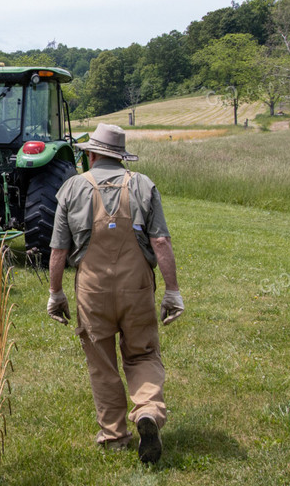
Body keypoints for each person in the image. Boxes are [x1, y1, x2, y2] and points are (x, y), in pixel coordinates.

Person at [46, 123, 184, 464]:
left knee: (102, 362)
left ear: (91, 155)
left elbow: (59, 251)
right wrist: (173, 292)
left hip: (92, 289)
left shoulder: (72, 188)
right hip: (136, 287)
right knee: (142, 354)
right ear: (119, 156)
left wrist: (56, 293)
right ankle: (148, 410)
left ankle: (113, 435)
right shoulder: (143, 185)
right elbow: (161, 242)